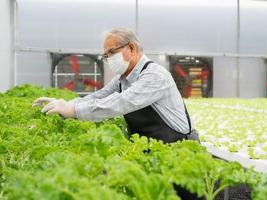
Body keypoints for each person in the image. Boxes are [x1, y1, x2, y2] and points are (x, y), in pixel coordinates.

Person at [33, 28, 202, 199]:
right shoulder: (122, 79)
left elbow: (120, 103)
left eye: (112, 52)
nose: (108, 59)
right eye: (106, 56)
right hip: (154, 157)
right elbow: (99, 96)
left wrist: (73, 110)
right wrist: (65, 104)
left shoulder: (155, 75)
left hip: (181, 155)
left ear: (131, 48)